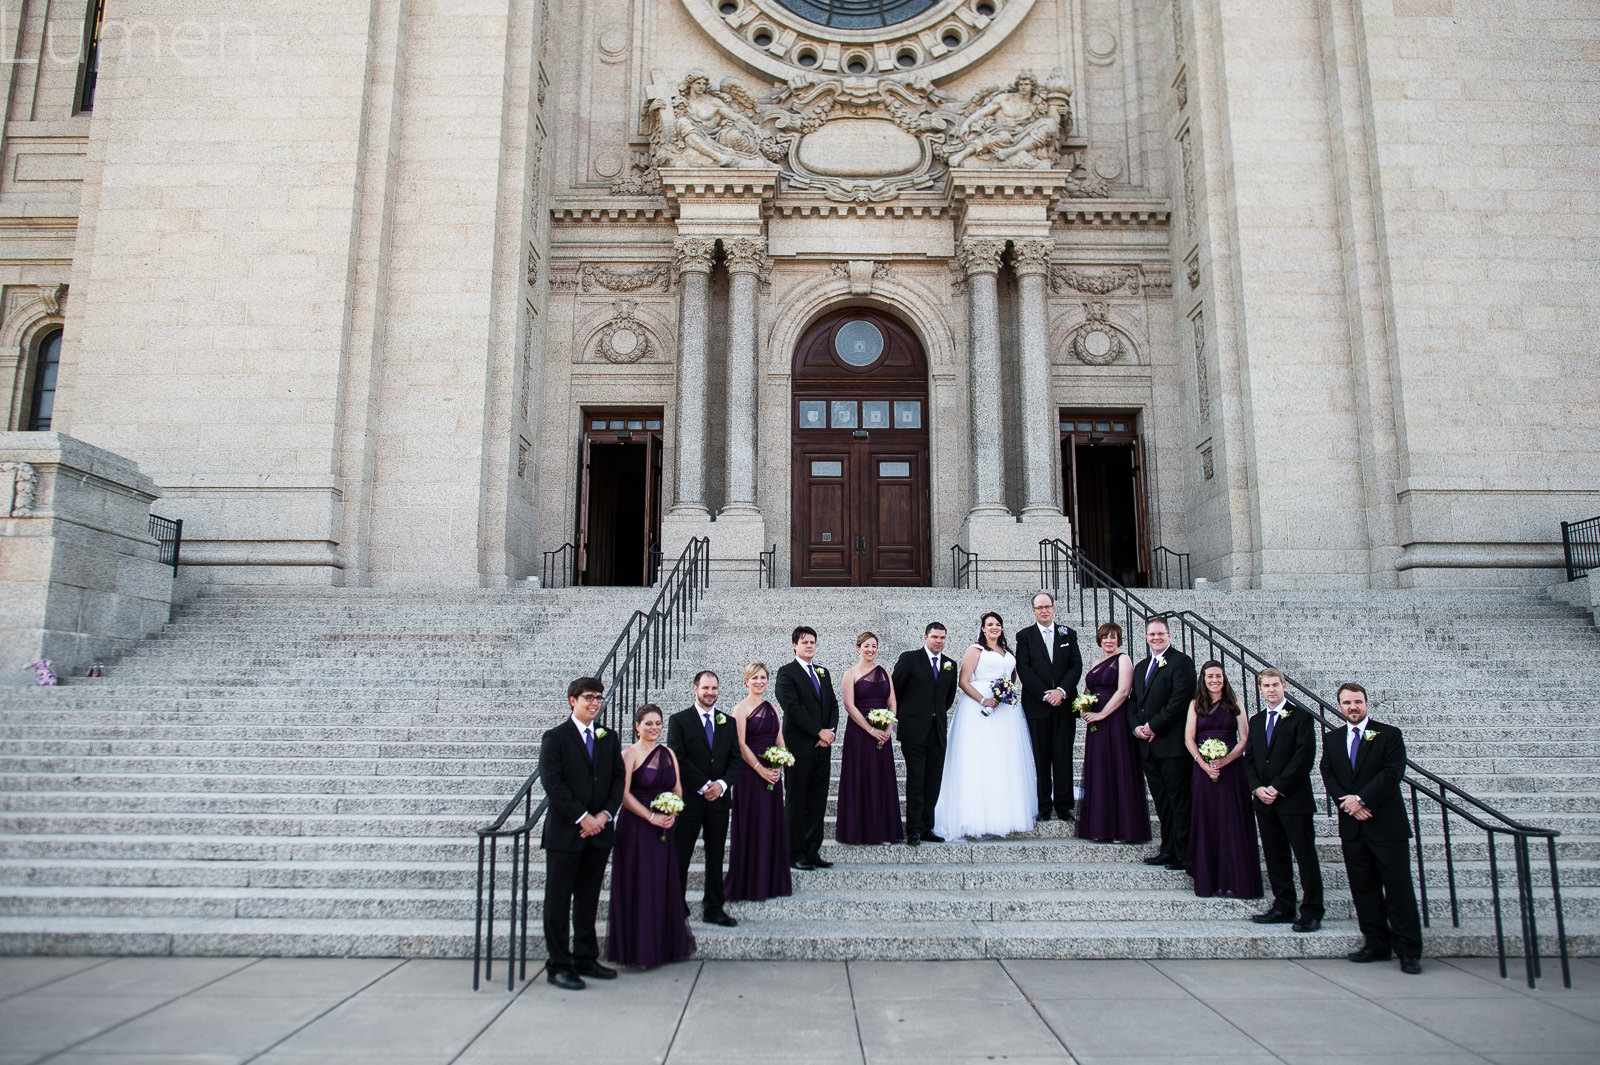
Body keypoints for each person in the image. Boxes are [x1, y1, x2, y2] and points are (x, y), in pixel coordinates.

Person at [1321, 681, 1423, 974]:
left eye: (1358, 702)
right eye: (1347, 703)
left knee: (1398, 888)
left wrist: (1362, 799)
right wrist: (1348, 802)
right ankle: (1376, 943)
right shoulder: (1333, 739)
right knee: (1363, 886)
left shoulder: (1389, 734)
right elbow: (1327, 771)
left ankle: (1408, 950)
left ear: (1367, 703)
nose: (1353, 707)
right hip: (1352, 825)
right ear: (1340, 706)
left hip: (1386, 825)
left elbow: (1392, 773)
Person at [539, 676, 625, 990]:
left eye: (599, 698)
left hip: (599, 831)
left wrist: (603, 815)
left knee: (588, 899)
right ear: (572, 700)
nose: (594, 703)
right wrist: (582, 818)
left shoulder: (608, 737)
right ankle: (558, 964)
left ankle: (585, 957)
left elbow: (618, 779)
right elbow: (553, 783)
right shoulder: (556, 738)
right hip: (566, 833)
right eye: (588, 697)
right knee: (558, 900)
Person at [605, 705, 696, 969]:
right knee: (639, 884)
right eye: (648, 724)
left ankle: (661, 946)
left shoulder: (668, 753)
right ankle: (638, 950)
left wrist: (672, 812)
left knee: (660, 884)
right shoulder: (629, 754)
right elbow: (623, 794)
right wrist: (650, 816)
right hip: (636, 827)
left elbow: (677, 788)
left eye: (658, 723)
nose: (654, 728)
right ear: (637, 726)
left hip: (664, 827)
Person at [933, 612, 1038, 840]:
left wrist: (1005, 692)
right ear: (982, 628)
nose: (994, 628)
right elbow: (963, 680)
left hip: (1006, 711)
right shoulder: (975, 650)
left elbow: (1011, 677)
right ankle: (975, 816)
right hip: (978, 708)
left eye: (998, 624)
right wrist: (983, 699)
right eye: (989, 624)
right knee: (981, 758)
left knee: (1003, 759)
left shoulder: (1009, 652)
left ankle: (1004, 813)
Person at [1244, 668, 1323, 932]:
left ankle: (1312, 910)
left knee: (1305, 856)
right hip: (1264, 802)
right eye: (1266, 685)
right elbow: (1251, 759)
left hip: (1293, 800)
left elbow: (1303, 758)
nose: (1271, 689)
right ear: (1260, 689)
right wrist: (1256, 788)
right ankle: (1283, 905)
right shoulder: (1256, 721)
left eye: (1275, 684)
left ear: (1284, 686)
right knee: (1275, 856)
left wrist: (1277, 787)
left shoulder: (1301, 717)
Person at [665, 671, 739, 927]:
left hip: (718, 801)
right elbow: (678, 756)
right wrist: (704, 784)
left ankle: (714, 908)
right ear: (694, 688)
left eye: (714, 688)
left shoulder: (728, 722)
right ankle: (675, 907)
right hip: (690, 801)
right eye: (706, 687)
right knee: (681, 855)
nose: (710, 692)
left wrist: (721, 784)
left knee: (716, 855)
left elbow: (735, 759)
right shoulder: (679, 720)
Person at [1184, 661, 1262, 900]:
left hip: (1231, 770)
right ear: (1203, 679)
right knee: (1208, 819)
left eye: (1218, 676)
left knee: (1231, 819)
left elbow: (1245, 737)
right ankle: (1209, 878)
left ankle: (1234, 878)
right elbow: (1189, 738)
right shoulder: (1196, 704)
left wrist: (1226, 760)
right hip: (1203, 771)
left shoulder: (1235, 704)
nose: (1215, 680)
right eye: (1210, 676)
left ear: (1224, 678)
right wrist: (1204, 764)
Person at [1130, 616, 1197, 870]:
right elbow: (1134, 700)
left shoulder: (1182, 663)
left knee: (1179, 801)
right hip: (1148, 746)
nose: (1156, 638)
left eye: (1160, 634)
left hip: (1172, 745)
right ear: (1146, 637)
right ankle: (1167, 849)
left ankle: (1185, 853)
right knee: (1161, 801)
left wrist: (1154, 726)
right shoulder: (1141, 665)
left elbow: (1181, 699)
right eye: (1151, 634)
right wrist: (1137, 726)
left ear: (1169, 635)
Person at [1075, 622, 1150, 844]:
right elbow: (1088, 689)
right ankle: (1100, 826)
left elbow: (1124, 691)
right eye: (1105, 637)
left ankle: (1123, 829)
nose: (1109, 641)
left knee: (1118, 770)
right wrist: (1083, 706)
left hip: (1115, 720)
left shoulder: (1123, 660)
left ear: (1119, 640)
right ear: (1100, 640)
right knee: (1100, 771)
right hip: (1096, 723)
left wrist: (1102, 715)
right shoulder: (1096, 662)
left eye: (1113, 637)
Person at [724, 663, 793, 902]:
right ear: (746, 681)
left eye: (763, 677)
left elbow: (780, 740)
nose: (759, 681)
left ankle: (771, 880)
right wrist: (760, 769)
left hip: (772, 775)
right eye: (755, 678)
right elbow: (740, 744)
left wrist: (779, 765)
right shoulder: (740, 709)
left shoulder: (772, 708)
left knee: (770, 825)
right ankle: (750, 882)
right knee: (752, 824)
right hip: (749, 775)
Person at [1014, 591, 1084, 822]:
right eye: (1039, 607)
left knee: (1063, 757)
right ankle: (1043, 806)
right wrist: (1046, 695)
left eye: (1048, 606)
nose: (1044, 611)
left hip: (1064, 705)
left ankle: (1064, 806)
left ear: (1053, 608)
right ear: (1033, 611)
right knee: (1041, 757)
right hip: (1038, 706)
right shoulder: (1024, 636)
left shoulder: (1068, 634)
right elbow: (1024, 669)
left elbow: (1076, 666)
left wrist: (1061, 691)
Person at [774, 626, 839, 871]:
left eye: (812, 642)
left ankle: (813, 851)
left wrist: (830, 732)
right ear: (794, 645)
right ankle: (795, 852)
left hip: (823, 748)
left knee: (818, 801)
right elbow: (793, 708)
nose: (809, 646)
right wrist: (817, 731)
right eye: (804, 642)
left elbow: (833, 704)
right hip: (799, 747)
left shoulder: (823, 673)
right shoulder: (786, 673)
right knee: (797, 800)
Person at [890, 622, 959, 846]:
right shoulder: (909, 659)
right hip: (914, 731)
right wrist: (903, 719)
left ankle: (928, 826)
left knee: (933, 781)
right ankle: (914, 829)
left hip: (937, 730)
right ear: (925, 637)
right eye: (935, 637)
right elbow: (895, 689)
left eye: (942, 638)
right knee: (916, 780)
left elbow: (948, 697)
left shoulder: (950, 664)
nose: (939, 641)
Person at [836, 632, 903, 845]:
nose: (871, 649)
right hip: (859, 733)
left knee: (881, 779)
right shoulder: (850, 673)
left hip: (883, 734)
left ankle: (883, 831)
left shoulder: (884, 672)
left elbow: (892, 703)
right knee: (860, 778)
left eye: (874, 646)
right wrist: (870, 730)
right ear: (858, 648)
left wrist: (888, 728)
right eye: (866, 645)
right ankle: (858, 832)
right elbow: (849, 705)